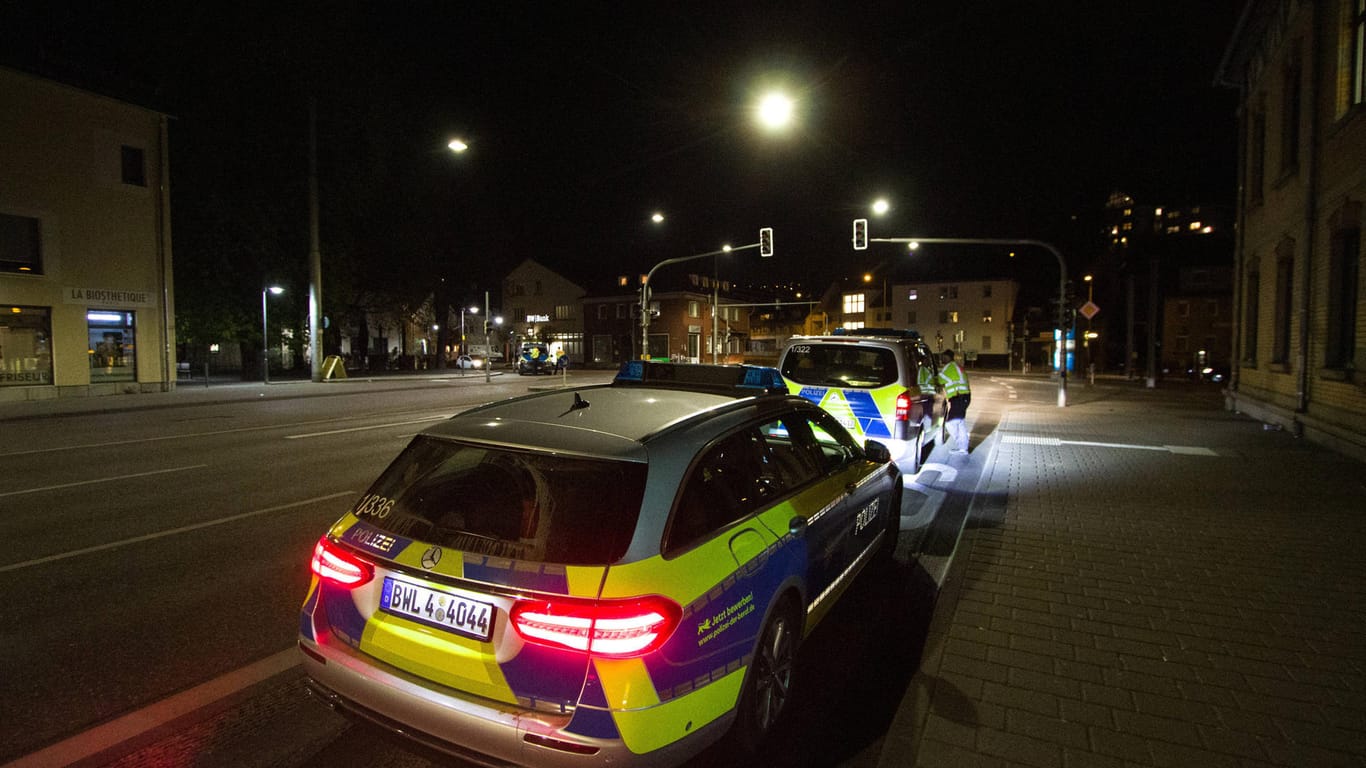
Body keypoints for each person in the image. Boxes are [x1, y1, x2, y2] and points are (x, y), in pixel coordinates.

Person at [937, 349, 972, 453]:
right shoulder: (956, 366)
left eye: (943, 357)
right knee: (960, 423)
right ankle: (963, 448)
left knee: (950, 423)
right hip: (964, 397)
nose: (942, 359)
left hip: (959, 398)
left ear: (948, 357)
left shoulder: (949, 367)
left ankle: (961, 445)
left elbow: (938, 380)